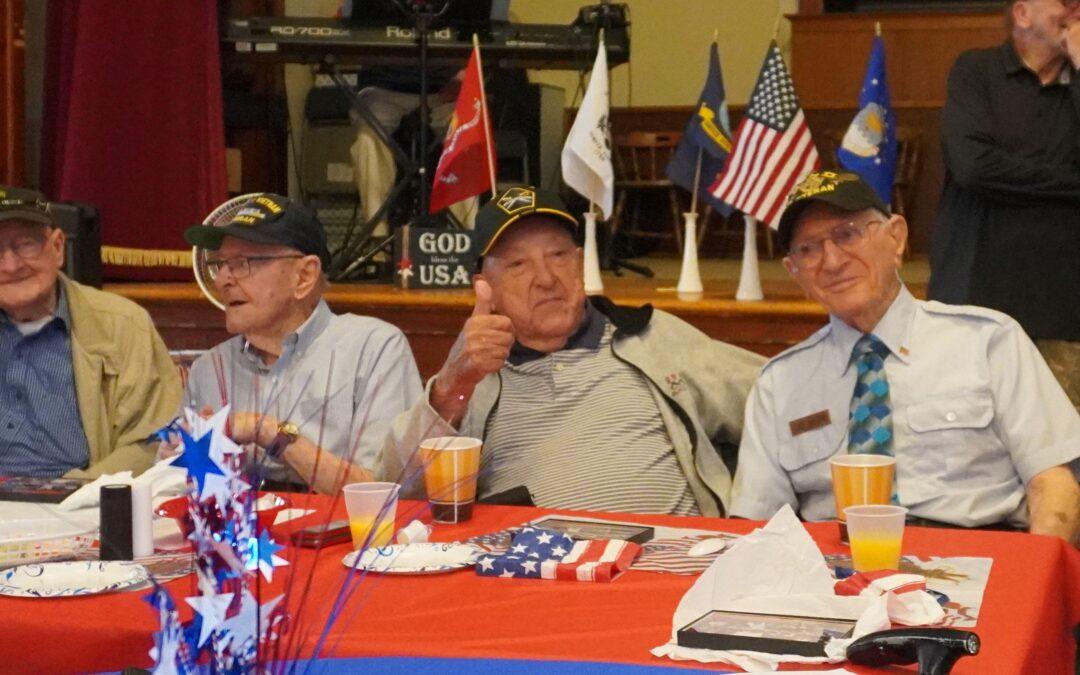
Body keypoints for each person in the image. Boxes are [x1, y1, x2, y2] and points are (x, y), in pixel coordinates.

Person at [731, 170, 1080, 544]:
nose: (831, 261)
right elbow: (755, 527)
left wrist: (1034, 582)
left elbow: (1055, 485)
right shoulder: (779, 382)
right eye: (808, 249)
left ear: (896, 238)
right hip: (833, 576)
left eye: (847, 234)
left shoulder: (987, 341)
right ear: (794, 272)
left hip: (978, 560)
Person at [376, 185, 764, 516]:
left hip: (670, 567)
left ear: (579, 263)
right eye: (518, 264)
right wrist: (450, 385)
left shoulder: (650, 336)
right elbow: (395, 492)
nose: (546, 279)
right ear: (485, 287)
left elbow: (776, 400)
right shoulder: (472, 382)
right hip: (537, 577)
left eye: (558, 255)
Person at [182, 193, 422, 494]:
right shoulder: (209, 368)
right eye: (222, 264)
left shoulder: (373, 349)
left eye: (242, 263)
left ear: (304, 276)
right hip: (239, 537)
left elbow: (382, 492)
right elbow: (183, 490)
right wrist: (183, 461)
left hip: (345, 537)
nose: (223, 281)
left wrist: (267, 431)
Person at [929, 0, 1080, 411]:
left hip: (1064, 314)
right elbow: (973, 168)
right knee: (970, 446)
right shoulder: (976, 72)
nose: (1076, 8)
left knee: (1065, 459)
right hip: (977, 301)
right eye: (1064, 2)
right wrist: (1071, 183)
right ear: (1023, 14)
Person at [0, 186, 181, 479]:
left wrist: (75, 492)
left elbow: (151, 439)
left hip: (86, 502)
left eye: (25, 244)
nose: (10, 265)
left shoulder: (123, 324)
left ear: (57, 247)